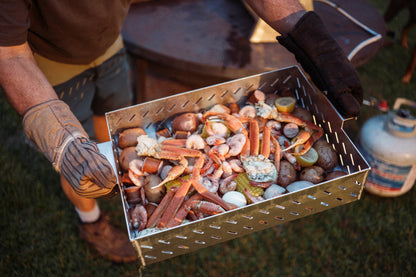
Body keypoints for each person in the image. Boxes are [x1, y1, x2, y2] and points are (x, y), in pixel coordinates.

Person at [0, 0, 363, 264]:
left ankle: (108, 171)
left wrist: (307, 33)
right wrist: (62, 142)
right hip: (44, 61)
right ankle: (91, 221)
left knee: (112, 135)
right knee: (78, 158)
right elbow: (10, 55)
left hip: (109, 45)